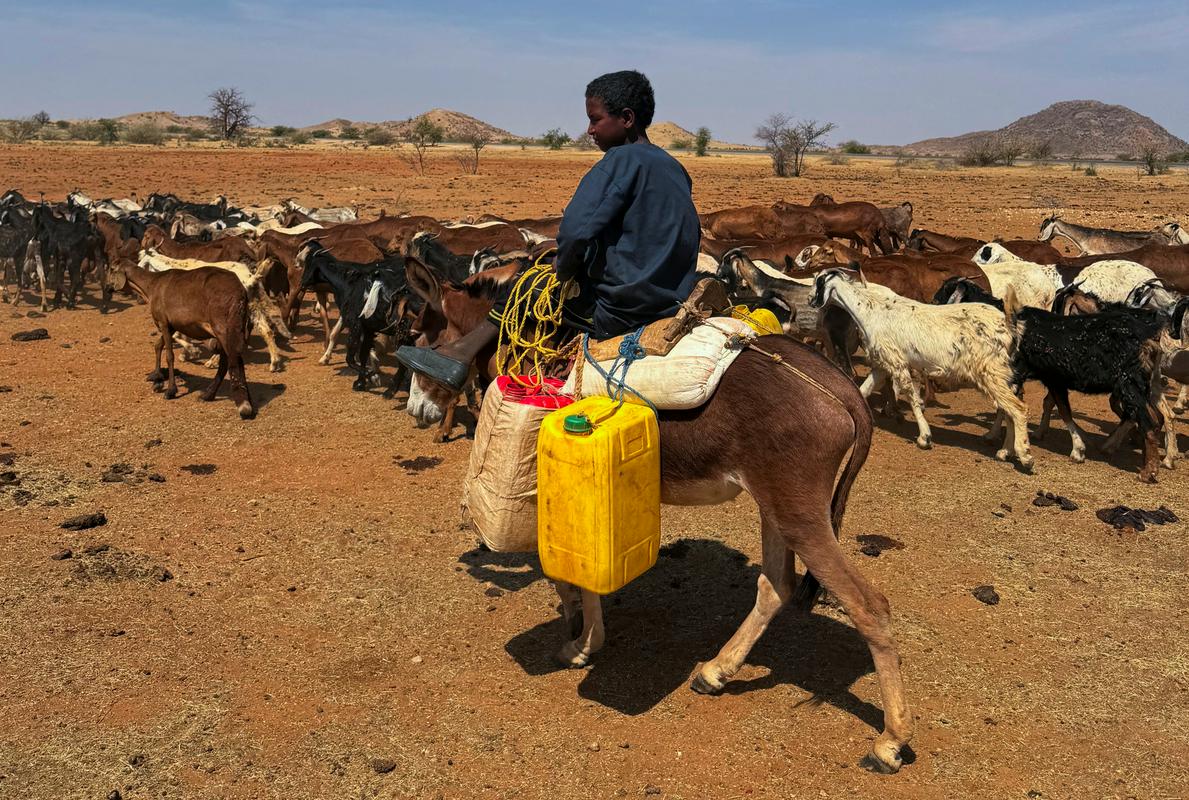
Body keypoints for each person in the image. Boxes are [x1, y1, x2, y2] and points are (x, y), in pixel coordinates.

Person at [395, 69, 701, 392]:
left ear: (626, 118)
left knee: (526, 285)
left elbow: (575, 231)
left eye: (595, 120)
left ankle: (460, 354)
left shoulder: (619, 161)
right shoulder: (675, 167)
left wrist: (564, 268)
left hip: (621, 310)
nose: (590, 130)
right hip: (670, 301)